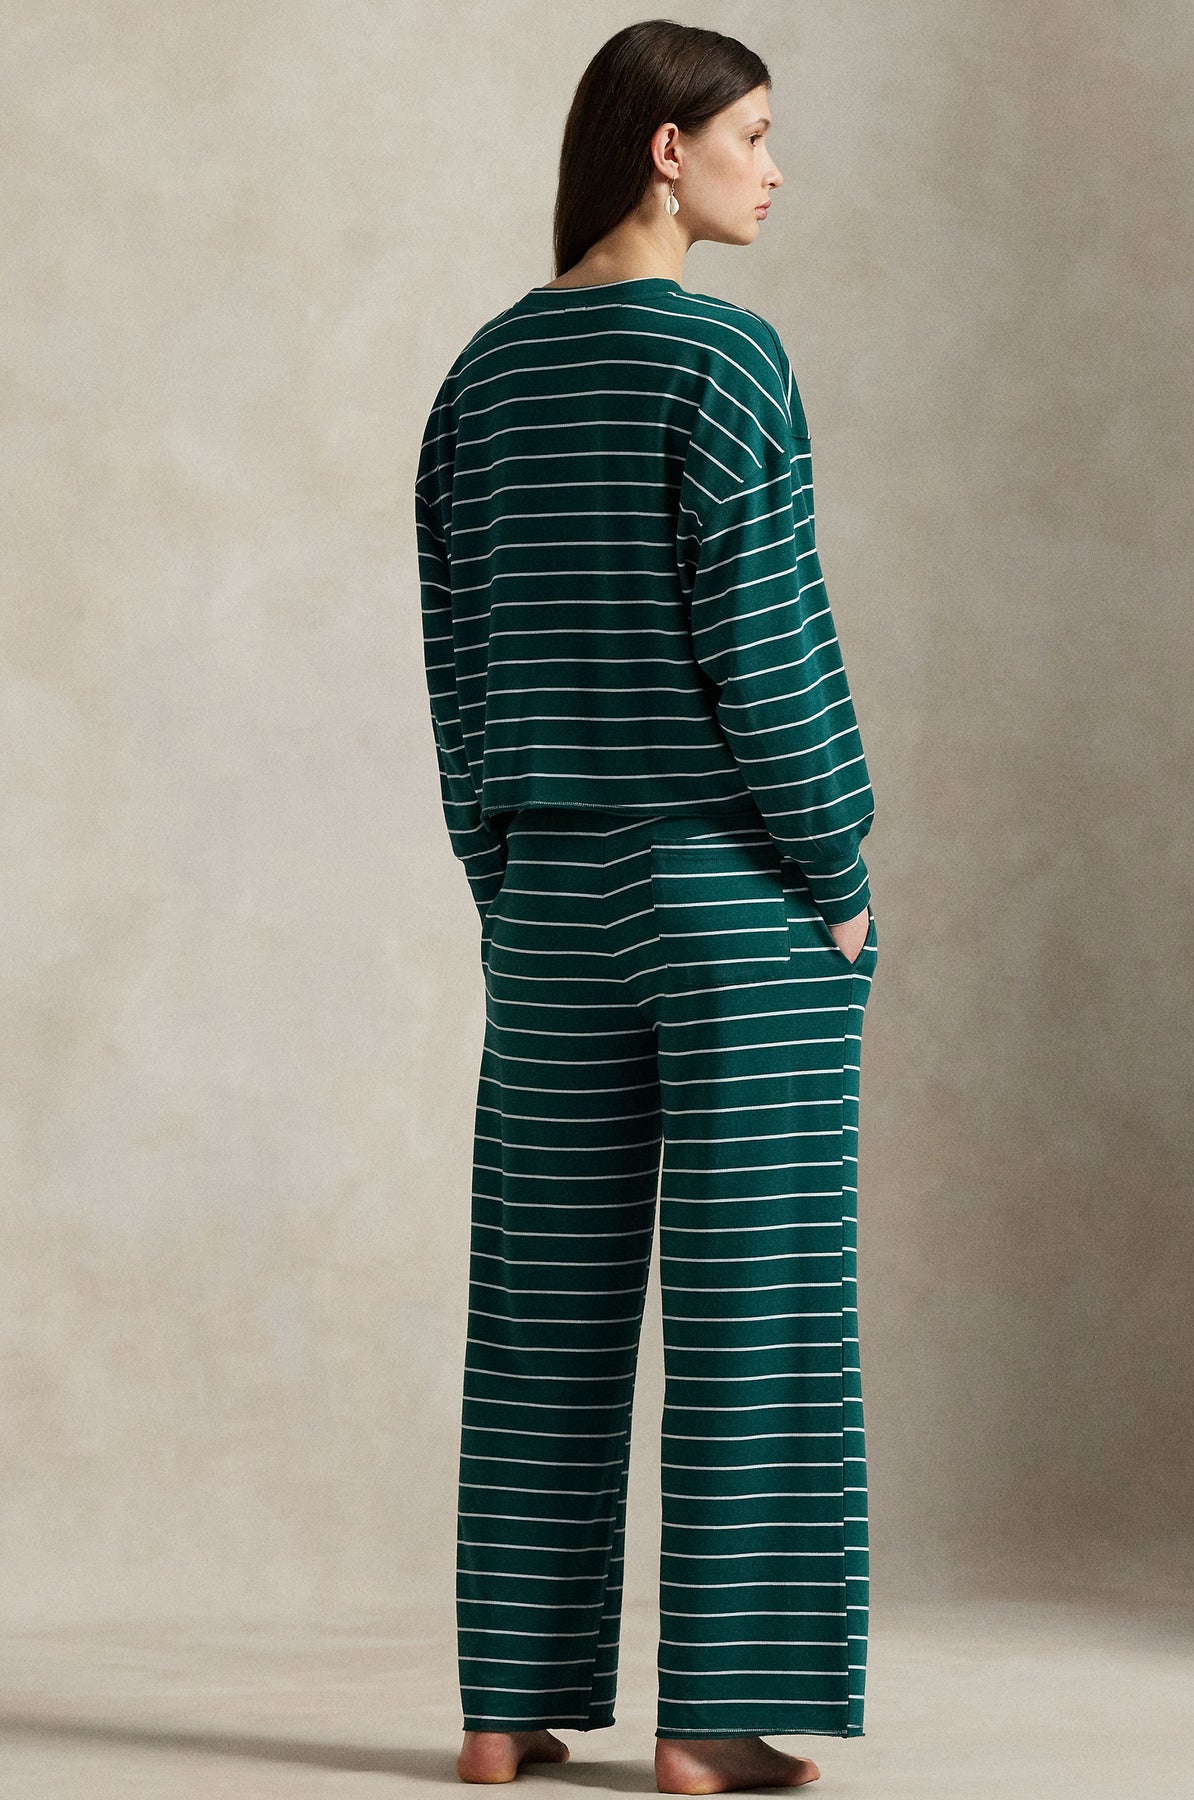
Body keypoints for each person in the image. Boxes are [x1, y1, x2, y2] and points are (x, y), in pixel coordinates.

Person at [415, 20, 879, 1794]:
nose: (775, 168)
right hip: (732, 895)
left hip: (551, 903)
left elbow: (461, 670)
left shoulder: (481, 376)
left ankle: (505, 1707)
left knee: (542, 1303)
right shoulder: (725, 359)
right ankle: (709, 1723)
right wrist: (839, 871)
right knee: (758, 1305)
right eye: (753, 133)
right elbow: (770, 647)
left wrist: (506, 876)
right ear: (665, 151)